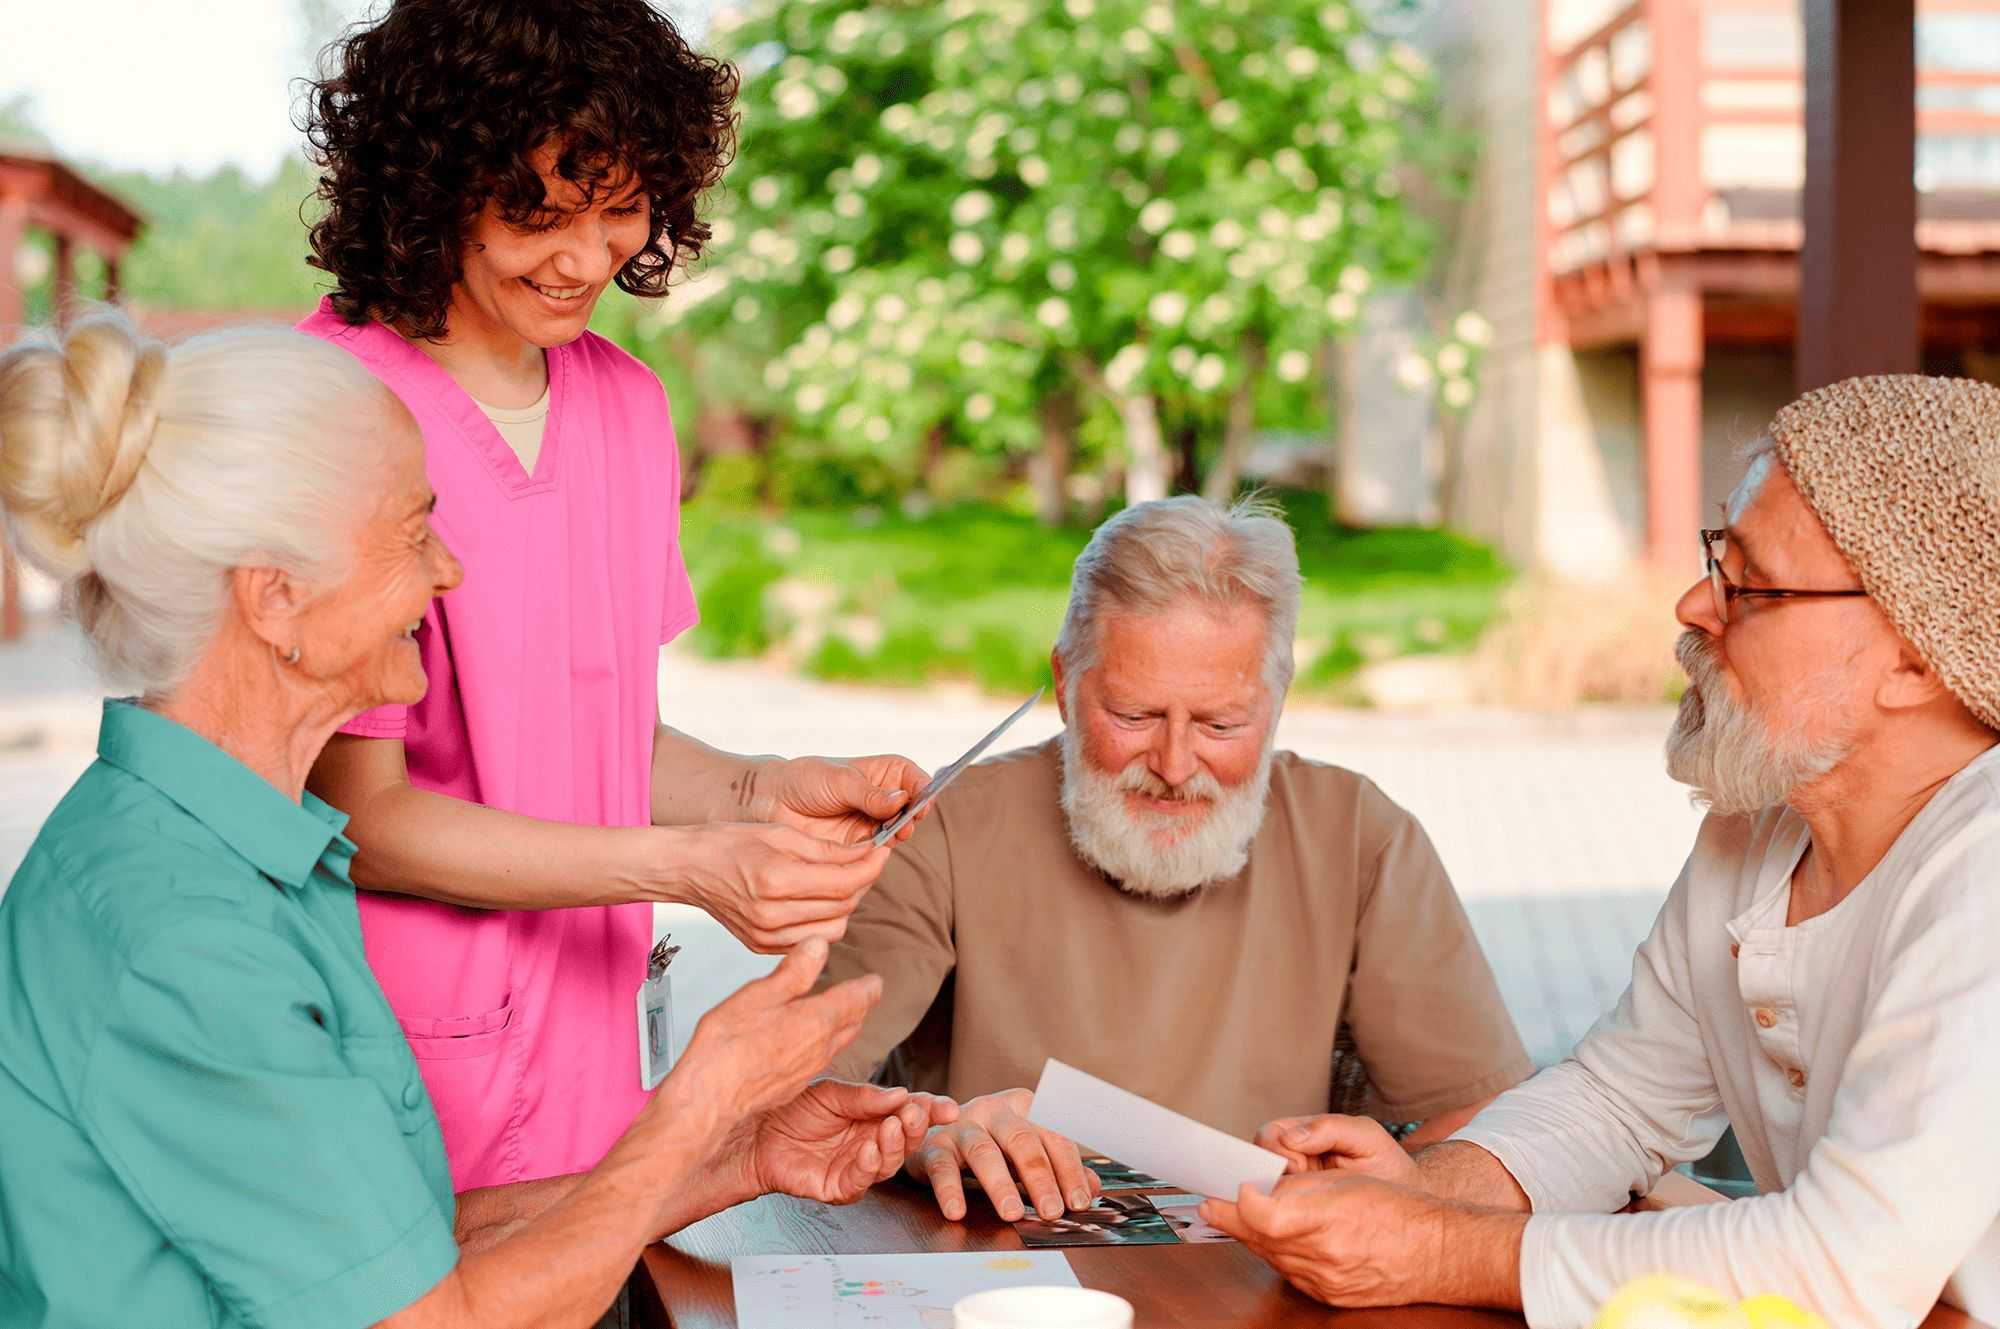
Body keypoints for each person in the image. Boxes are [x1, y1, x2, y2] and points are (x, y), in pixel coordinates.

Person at [0, 312, 955, 1327]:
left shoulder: (225, 855)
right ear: (275, 597)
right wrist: (693, 1110)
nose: (450, 573)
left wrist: (733, 1156)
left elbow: (395, 1251)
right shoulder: (183, 938)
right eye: (414, 535)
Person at [294, 0, 931, 1231]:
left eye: (621, 208)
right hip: (399, 1065)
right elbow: (359, 819)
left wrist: (761, 792)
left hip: (594, 1065)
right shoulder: (328, 407)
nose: (585, 259)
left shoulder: (626, 407)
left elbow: (587, 742)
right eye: (538, 210)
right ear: (435, 185)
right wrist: (690, 868)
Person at [1203, 376, 2000, 1329]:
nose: (1695, 604)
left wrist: (1436, 1245)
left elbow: (1841, 1269)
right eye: (1718, 558)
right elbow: (1618, 1100)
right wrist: (1428, 1191)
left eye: (1750, 582)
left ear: (1914, 656)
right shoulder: (1760, 826)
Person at [817, 495, 1533, 1224]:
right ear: (1065, 686)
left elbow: (1492, 1126)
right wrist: (924, 1134)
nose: (1174, 763)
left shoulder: (1360, 836)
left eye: (1221, 723)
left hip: (1271, 1275)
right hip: (999, 1268)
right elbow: (798, 1091)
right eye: (1134, 716)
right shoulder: (945, 829)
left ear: (1278, 701)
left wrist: (1391, 1174)